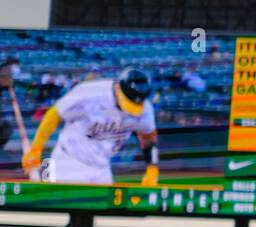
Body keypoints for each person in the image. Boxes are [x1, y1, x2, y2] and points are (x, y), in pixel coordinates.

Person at [21, 67, 158, 185]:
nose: (130, 109)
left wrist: (152, 167)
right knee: (57, 209)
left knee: (104, 212)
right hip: (69, 160)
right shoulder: (90, 93)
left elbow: (148, 138)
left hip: (102, 167)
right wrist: (36, 149)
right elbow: (54, 114)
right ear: (117, 87)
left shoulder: (144, 109)